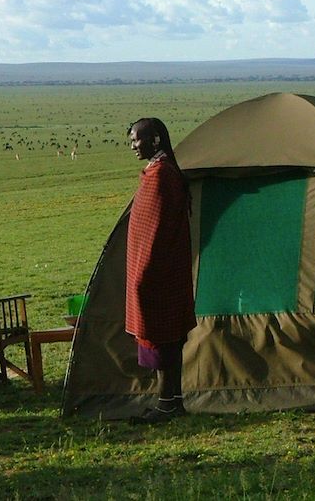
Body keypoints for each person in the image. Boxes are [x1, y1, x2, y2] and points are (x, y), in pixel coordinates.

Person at [125, 117, 196, 424]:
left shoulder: (161, 176)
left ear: (154, 140)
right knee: (168, 337)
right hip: (164, 269)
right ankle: (170, 402)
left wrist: (143, 276)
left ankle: (167, 404)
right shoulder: (163, 172)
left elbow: (154, 231)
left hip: (158, 272)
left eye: (137, 140)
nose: (133, 146)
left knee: (164, 337)